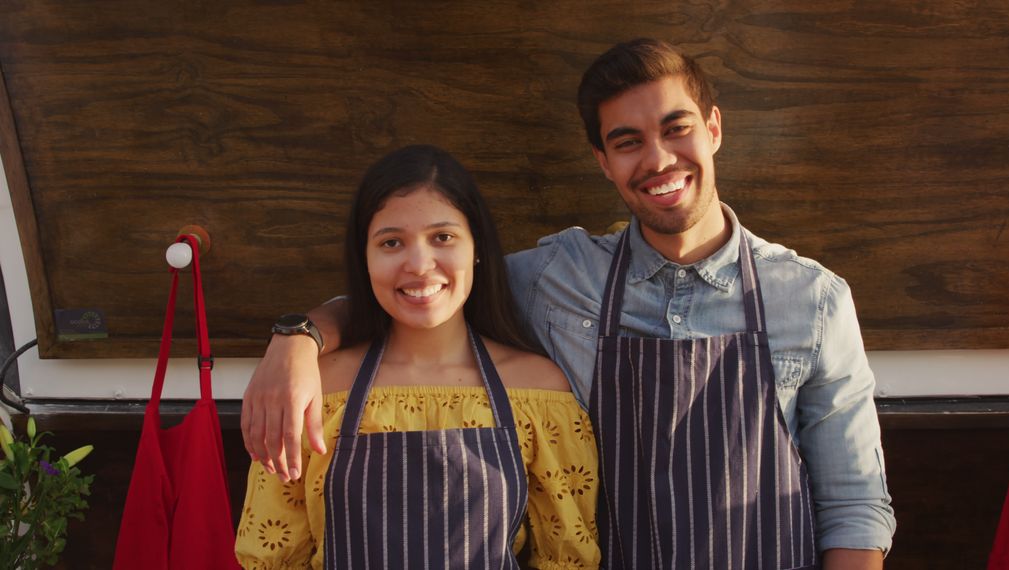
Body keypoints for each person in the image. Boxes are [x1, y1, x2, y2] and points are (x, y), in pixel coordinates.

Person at [243, 39, 896, 569]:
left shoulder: (812, 299)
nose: (660, 158)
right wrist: (298, 337)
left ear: (715, 129)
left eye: (677, 128)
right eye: (628, 140)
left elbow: (854, 500)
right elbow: (427, 286)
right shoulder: (557, 278)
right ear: (602, 160)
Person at [235, 145, 601, 569]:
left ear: (476, 246)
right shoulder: (316, 391)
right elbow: (271, 557)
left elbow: (568, 557)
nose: (420, 264)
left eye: (442, 237)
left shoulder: (539, 392)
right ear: (365, 259)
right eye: (391, 242)